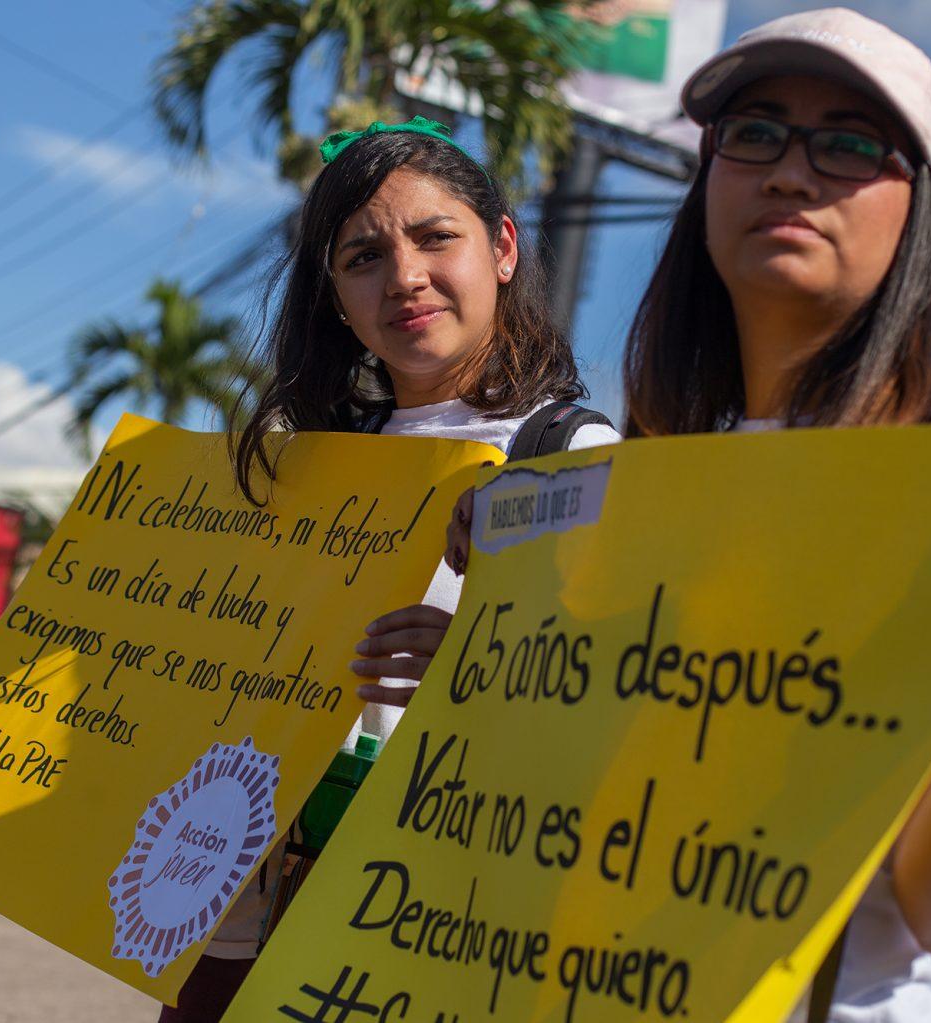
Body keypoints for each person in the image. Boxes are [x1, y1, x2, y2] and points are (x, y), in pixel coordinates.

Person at [447, 9, 931, 1021]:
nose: (792, 174)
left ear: (920, 212)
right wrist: (485, 635)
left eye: (852, 145)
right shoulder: (645, 470)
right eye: (755, 133)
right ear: (709, 176)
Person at [161, 116, 619, 1022]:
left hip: (428, 913)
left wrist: (473, 669)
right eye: (362, 256)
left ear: (502, 247)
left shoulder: (572, 455)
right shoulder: (316, 463)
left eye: (435, 236)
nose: (403, 276)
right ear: (334, 295)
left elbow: (607, 709)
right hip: (248, 905)